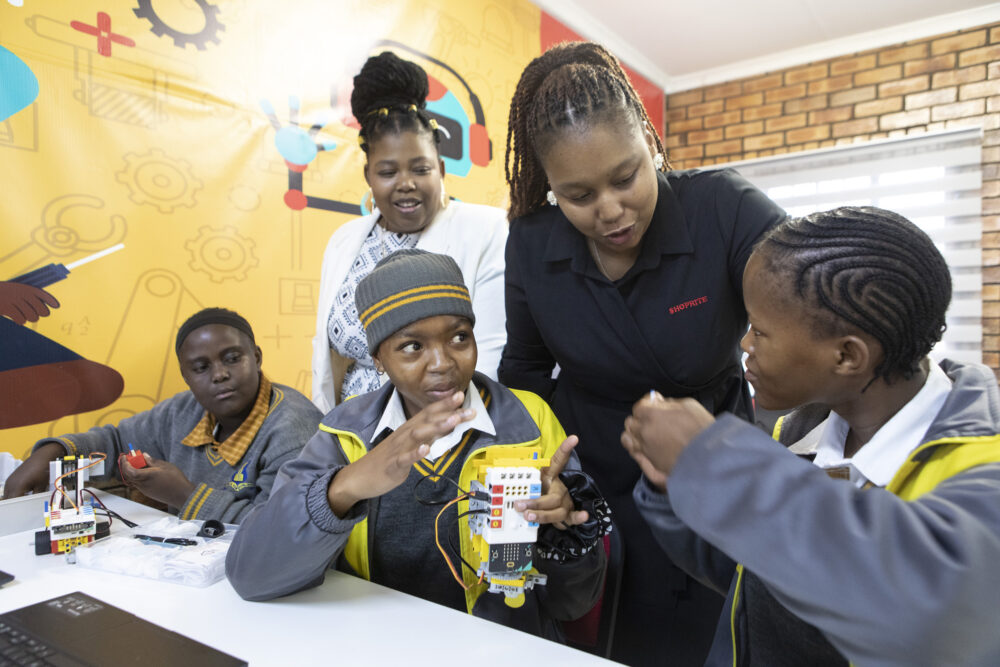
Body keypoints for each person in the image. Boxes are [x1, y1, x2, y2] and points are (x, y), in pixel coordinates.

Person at [499, 41, 786, 665]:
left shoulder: (723, 209)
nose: (610, 211)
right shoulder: (530, 243)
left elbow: (805, 309)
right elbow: (522, 373)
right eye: (576, 196)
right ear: (550, 187)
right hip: (592, 489)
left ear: (652, 144)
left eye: (626, 177)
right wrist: (540, 473)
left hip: (713, 473)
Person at [622, 207, 1000, 666]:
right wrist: (673, 486)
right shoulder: (796, 434)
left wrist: (713, 465)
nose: (745, 345)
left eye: (760, 330)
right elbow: (758, 574)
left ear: (846, 356)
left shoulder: (983, 468)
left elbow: (930, 614)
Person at [229, 250, 610, 639]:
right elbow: (252, 575)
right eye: (412, 346)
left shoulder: (528, 421)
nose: (442, 362)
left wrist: (562, 532)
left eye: (459, 337)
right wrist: (346, 487)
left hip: (498, 649)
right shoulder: (345, 435)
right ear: (378, 358)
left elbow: (573, 603)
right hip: (372, 647)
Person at [312, 51, 507, 414]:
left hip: (445, 431)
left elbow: (490, 357)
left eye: (420, 169)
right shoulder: (343, 241)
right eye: (388, 173)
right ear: (368, 176)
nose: (406, 184)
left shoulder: (485, 229)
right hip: (350, 435)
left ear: (442, 169)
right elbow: (328, 362)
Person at [2, 307, 322, 524]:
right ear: (186, 376)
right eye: (201, 368)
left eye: (232, 358)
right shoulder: (184, 411)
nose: (220, 374)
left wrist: (184, 495)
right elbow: (115, 441)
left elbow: (284, 530)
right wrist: (54, 453)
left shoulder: (294, 429)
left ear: (256, 357)